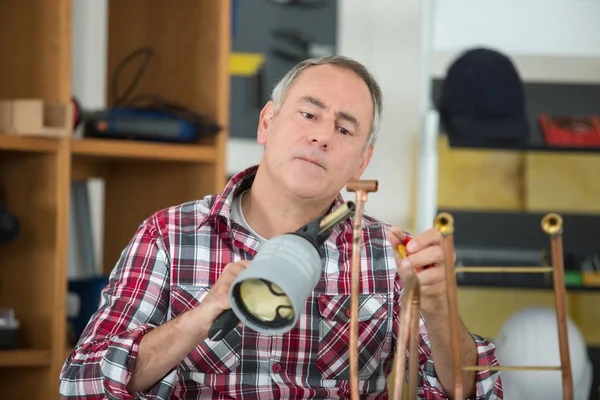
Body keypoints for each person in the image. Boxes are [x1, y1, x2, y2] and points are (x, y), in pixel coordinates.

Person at [59, 55, 503, 399]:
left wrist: (440, 313)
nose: (322, 136)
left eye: (345, 130)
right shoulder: (171, 235)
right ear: (267, 123)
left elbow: (475, 392)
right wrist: (198, 319)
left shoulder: (389, 255)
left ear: (361, 162)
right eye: (308, 115)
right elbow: (83, 383)